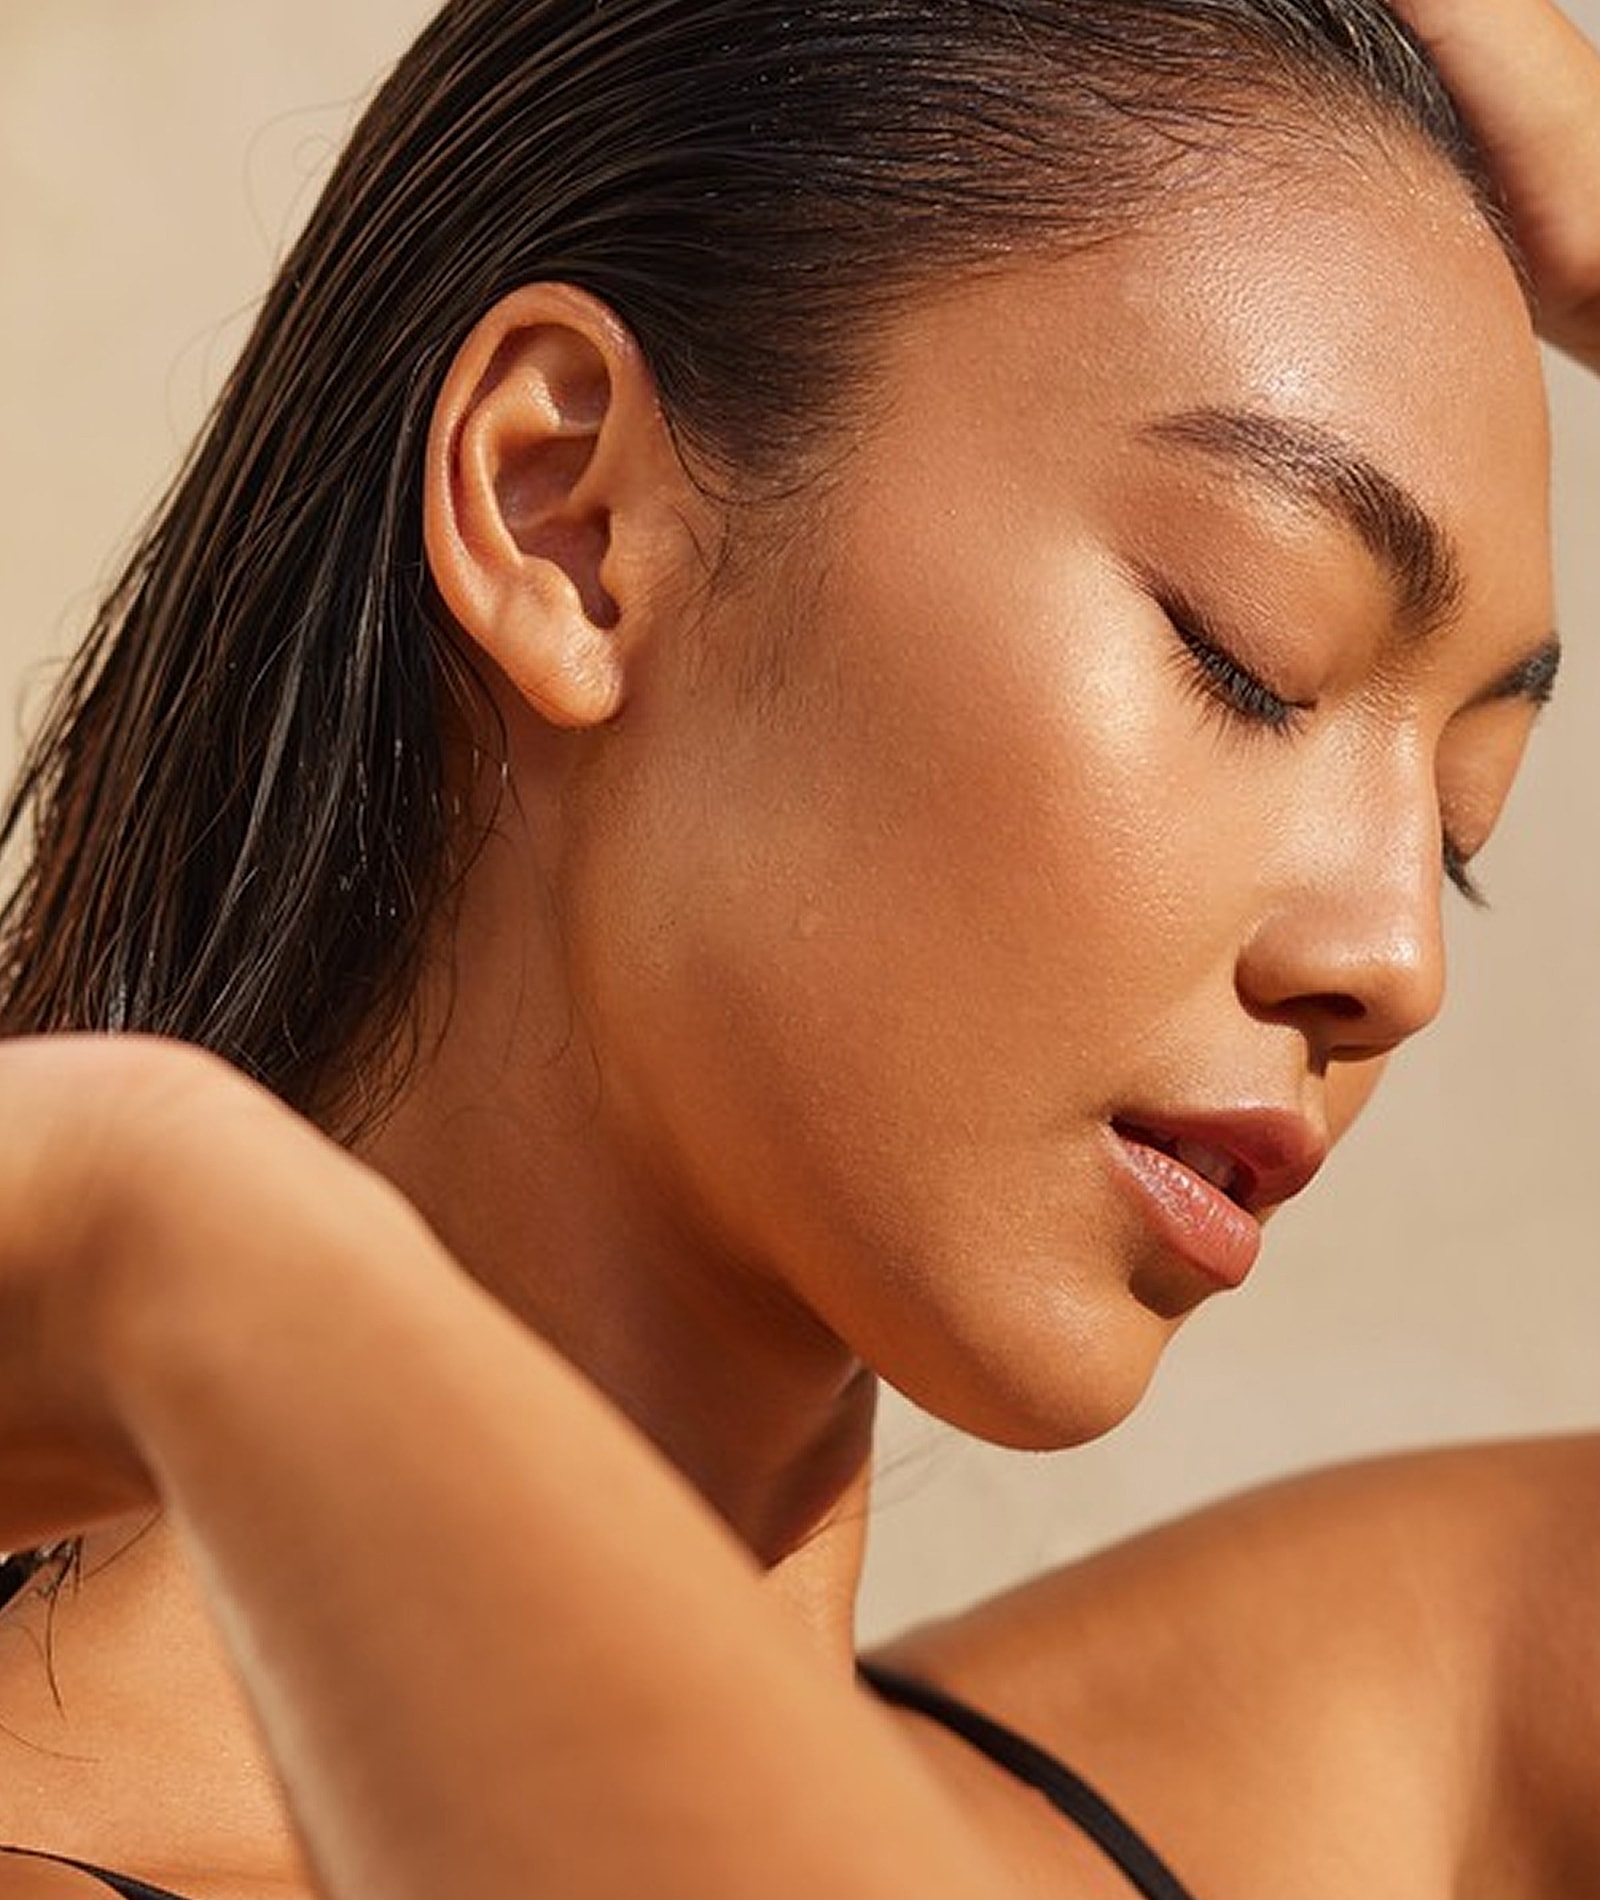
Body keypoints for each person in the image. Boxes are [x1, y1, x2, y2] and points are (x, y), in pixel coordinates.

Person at [0, 1, 1597, 1895]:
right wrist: (187, 1263)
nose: (1396, 955)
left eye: (1464, 827)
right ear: (567, 512)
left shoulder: (1372, 1759)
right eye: (1245, 654)